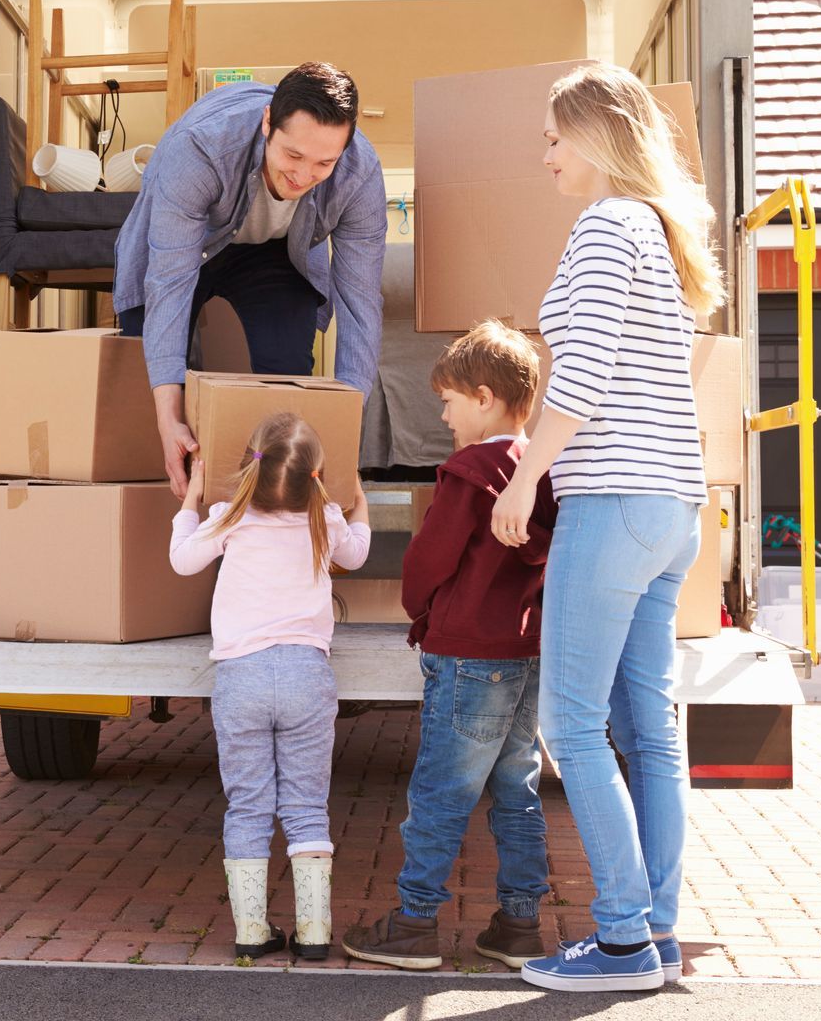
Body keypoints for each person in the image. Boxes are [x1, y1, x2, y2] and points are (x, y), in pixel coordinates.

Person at [490, 63, 724, 993]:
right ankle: (655, 934)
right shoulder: (658, 235)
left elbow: (579, 378)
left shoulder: (602, 227)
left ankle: (622, 940)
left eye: (553, 137)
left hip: (615, 502)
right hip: (671, 511)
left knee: (570, 723)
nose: (545, 155)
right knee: (648, 730)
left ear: (594, 134)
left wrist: (525, 479)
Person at [342, 321, 558, 972]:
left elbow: (427, 561)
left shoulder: (468, 473)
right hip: (523, 655)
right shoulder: (538, 472)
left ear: (485, 398)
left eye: (449, 399)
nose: (441, 412)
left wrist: (421, 612)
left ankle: (412, 925)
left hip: (466, 656)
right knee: (517, 790)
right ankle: (519, 926)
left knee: (440, 791)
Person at [113, 63, 388, 497]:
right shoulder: (201, 149)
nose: (302, 176)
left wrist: (343, 435)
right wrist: (168, 415)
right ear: (267, 123)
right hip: (188, 245)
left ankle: (272, 512)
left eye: (323, 163)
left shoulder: (359, 173)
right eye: (293, 155)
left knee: (288, 367)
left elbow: (360, 303)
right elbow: (168, 282)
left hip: (275, 253)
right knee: (152, 382)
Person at [168, 412, 371, 962]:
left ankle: (252, 931)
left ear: (247, 467)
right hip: (308, 675)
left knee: (249, 806)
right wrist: (358, 502)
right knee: (307, 805)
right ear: (319, 475)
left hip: (242, 677)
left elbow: (182, 560)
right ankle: (314, 931)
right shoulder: (324, 519)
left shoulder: (228, 517)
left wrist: (190, 502)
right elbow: (357, 553)